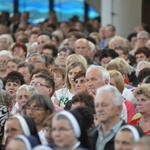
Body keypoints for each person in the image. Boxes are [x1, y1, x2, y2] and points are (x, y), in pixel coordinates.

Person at [88, 85, 126, 150]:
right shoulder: (90, 135)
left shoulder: (130, 136)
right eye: (97, 106)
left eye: (104, 105)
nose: (99, 109)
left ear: (119, 108)